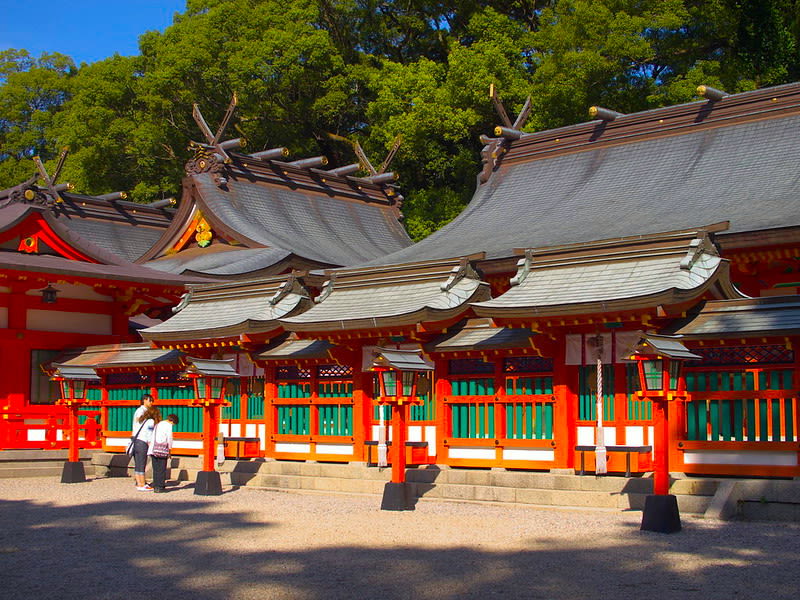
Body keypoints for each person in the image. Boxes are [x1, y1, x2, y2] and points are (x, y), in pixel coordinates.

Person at [131, 394, 158, 491]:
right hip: (143, 440)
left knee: (138, 462)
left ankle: (139, 482)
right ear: (144, 400)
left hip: (136, 439)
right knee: (142, 462)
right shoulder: (144, 414)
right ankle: (142, 484)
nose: (151, 403)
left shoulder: (138, 411)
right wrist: (150, 442)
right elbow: (147, 431)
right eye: (150, 401)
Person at [148, 413, 179, 493]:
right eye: (173, 424)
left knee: (156, 468)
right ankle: (160, 486)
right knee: (162, 468)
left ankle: (156, 485)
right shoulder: (168, 426)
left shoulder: (158, 424)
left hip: (154, 448)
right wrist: (170, 449)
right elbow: (169, 438)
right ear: (172, 421)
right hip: (162, 449)